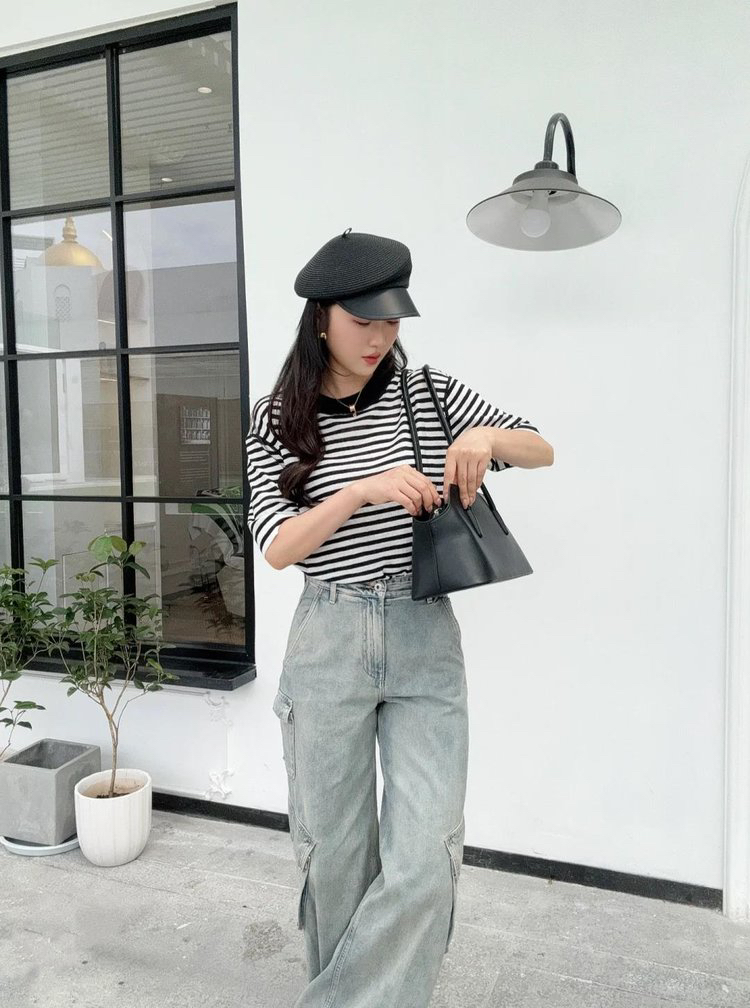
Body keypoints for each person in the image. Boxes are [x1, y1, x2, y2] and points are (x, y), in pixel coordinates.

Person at [245, 228, 552, 1007]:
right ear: (322, 320)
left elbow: (541, 447)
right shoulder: (276, 419)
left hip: (422, 636)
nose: (380, 336)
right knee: (335, 858)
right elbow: (277, 547)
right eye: (363, 320)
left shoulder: (429, 393)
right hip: (329, 636)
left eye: (391, 319)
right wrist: (361, 490)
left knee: (425, 859)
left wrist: (483, 437)